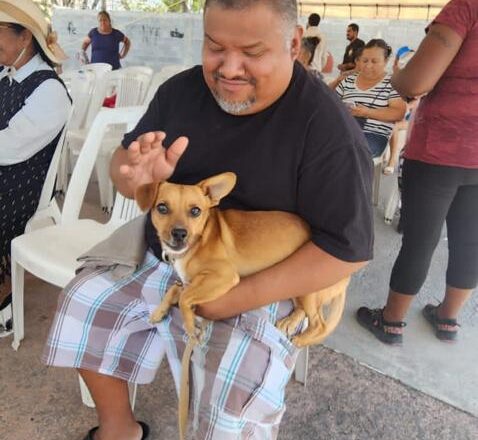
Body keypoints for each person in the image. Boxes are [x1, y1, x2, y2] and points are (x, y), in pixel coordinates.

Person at [43, 1, 374, 439]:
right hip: (164, 246)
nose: (229, 69)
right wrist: (130, 174)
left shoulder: (327, 128)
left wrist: (232, 298)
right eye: (215, 46)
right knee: (81, 306)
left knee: (229, 394)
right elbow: (126, 164)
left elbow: (346, 251)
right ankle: (119, 429)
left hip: (262, 273)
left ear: (293, 44)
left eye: (252, 52)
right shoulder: (181, 91)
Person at [357, 0, 478, 345]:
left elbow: (415, 82)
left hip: (442, 148)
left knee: (420, 241)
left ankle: (391, 322)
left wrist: (397, 73)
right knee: (471, 240)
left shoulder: (466, 8)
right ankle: (448, 318)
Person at [0, 0, 71, 335]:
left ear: (24, 37)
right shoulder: (7, 75)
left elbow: (10, 148)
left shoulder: (50, 91)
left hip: (19, 188)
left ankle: (4, 296)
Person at [336, 39, 407, 158]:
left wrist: (367, 112)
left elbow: (398, 113)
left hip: (372, 135)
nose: (368, 65)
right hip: (344, 132)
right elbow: (332, 104)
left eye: (374, 61)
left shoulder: (392, 83)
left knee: (346, 153)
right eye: (365, 60)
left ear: (386, 61)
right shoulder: (349, 80)